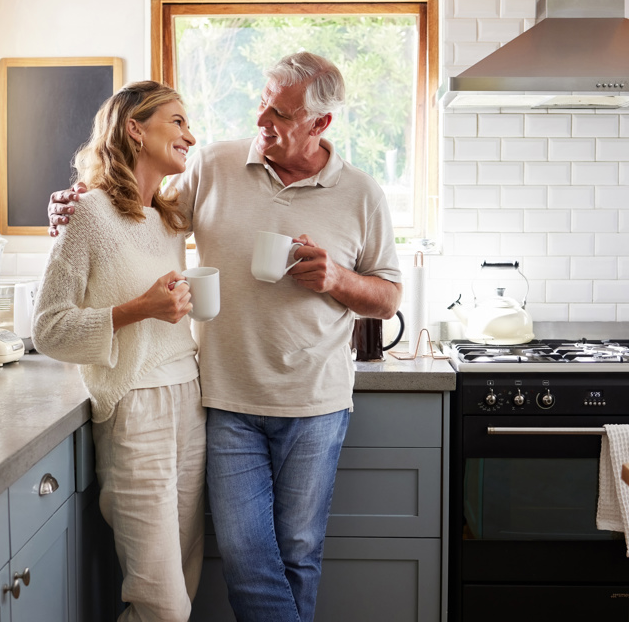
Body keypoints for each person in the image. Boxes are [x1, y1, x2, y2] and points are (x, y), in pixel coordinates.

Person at [48, 52, 403, 622]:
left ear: (320, 125)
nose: (262, 120)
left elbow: (388, 296)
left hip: (316, 402)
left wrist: (336, 278)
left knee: (299, 553)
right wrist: (75, 201)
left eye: (281, 114)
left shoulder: (361, 193)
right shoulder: (214, 165)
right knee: (241, 553)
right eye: (262, 103)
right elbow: (140, 212)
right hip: (224, 399)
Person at [33, 81, 206, 622]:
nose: (190, 135)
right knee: (161, 605)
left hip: (189, 402)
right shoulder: (87, 214)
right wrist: (140, 308)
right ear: (135, 128)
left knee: (186, 580)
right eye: (176, 121)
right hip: (135, 409)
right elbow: (49, 329)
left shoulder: (169, 219)